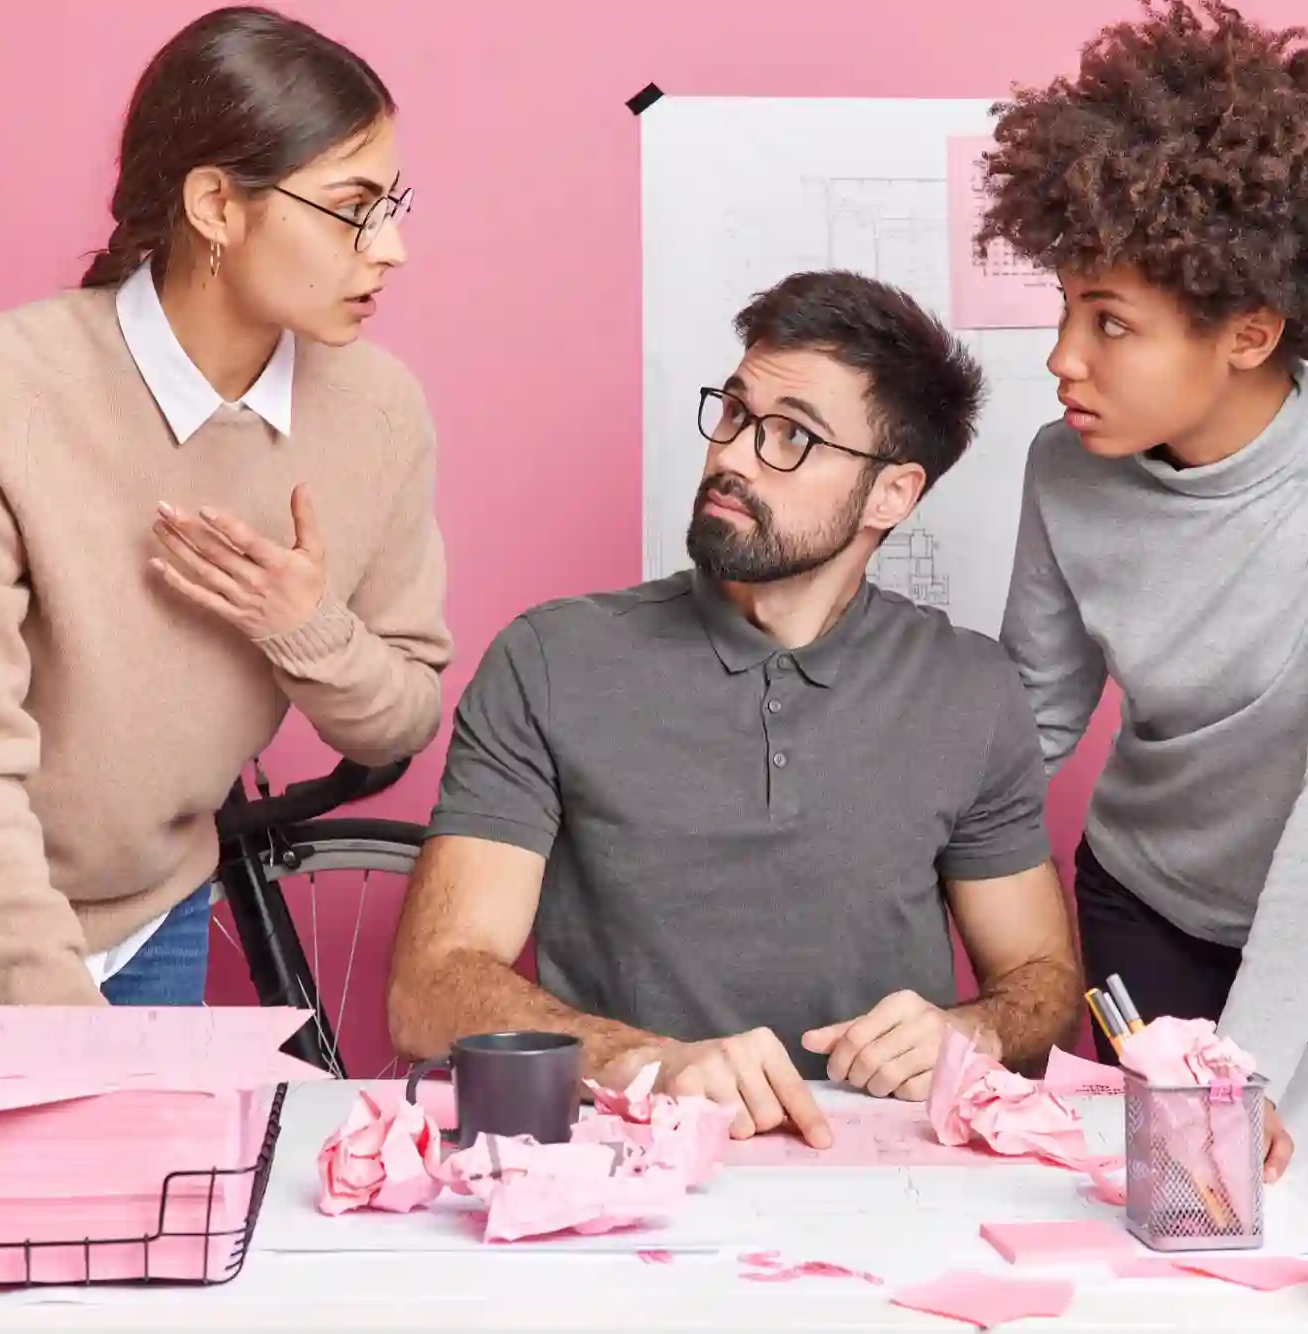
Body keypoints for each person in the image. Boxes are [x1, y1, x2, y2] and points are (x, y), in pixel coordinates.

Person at [0, 6, 451, 1053]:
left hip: (154, 904)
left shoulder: (380, 411)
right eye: (353, 207)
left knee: (154, 1216)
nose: (395, 247)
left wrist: (305, 624)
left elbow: (402, 715)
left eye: (395, 203)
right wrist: (66, 1033)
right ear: (215, 206)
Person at [387, 270, 1082, 1145]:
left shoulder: (970, 690)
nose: (735, 455)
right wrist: (651, 1065)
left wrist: (972, 1032)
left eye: (792, 435)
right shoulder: (551, 660)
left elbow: (1044, 985)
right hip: (628, 1168)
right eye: (738, 413)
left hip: (883, 1176)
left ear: (892, 494)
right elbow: (429, 988)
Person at [980, 0, 1308, 1168]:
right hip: (1141, 912)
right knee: (1150, 1214)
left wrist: (1239, 1068)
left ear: (1247, 334)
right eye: (1064, 309)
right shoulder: (1063, 466)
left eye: (1110, 323)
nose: (1063, 356)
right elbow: (1034, 719)